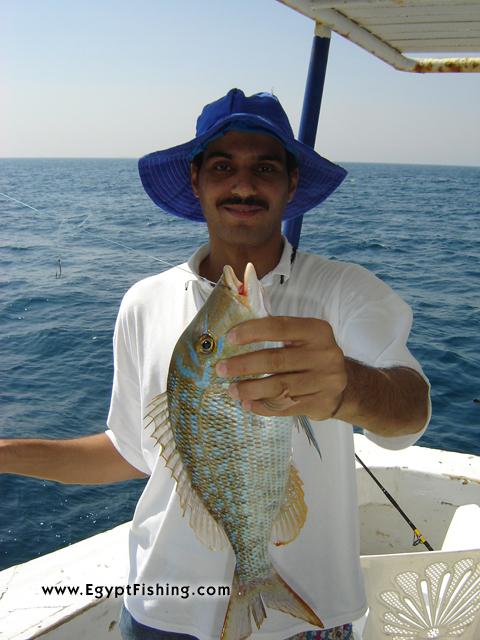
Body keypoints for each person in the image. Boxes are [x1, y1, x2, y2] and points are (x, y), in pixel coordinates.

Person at [0, 89, 430, 640]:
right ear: (197, 179)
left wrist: (350, 389)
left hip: (305, 619)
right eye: (223, 166)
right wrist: (7, 453)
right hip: (161, 611)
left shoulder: (344, 292)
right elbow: (133, 453)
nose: (244, 184)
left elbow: (410, 412)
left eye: (264, 167)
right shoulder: (144, 302)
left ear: (291, 183)